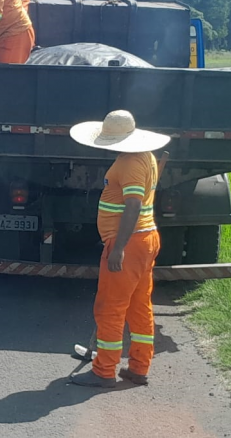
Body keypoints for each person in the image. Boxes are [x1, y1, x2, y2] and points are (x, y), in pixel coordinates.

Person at [67, 110, 171, 388]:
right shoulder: (145, 156)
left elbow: (134, 205)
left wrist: (119, 248)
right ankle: (138, 367)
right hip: (145, 239)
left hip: (130, 242)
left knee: (110, 308)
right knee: (139, 306)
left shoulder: (130, 163)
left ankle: (104, 371)